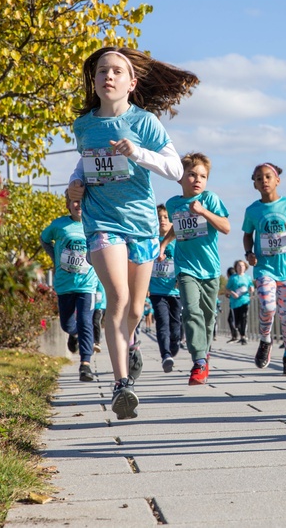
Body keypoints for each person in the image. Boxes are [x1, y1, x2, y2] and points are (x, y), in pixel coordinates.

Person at [67, 46, 197, 420]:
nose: (108, 76)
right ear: (93, 82)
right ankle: (122, 384)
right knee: (118, 298)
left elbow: (174, 169)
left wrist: (137, 152)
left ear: (131, 83)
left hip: (141, 223)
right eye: (101, 71)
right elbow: (84, 163)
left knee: (136, 309)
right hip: (101, 221)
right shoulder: (85, 124)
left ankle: (132, 343)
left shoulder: (145, 123)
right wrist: (75, 185)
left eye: (116, 72)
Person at [162, 152, 230, 386]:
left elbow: (226, 227)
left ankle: (204, 350)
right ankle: (199, 361)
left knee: (208, 317)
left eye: (203, 176)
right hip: (185, 267)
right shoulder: (172, 204)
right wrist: (163, 243)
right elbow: (177, 228)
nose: (198, 180)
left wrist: (203, 212)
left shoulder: (210, 199)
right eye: (192, 175)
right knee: (191, 311)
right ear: (180, 178)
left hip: (210, 270)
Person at [242, 163, 286, 376]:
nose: (264, 181)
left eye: (268, 177)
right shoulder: (252, 210)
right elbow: (247, 235)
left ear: (277, 179)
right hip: (264, 268)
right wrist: (249, 253)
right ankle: (265, 340)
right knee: (268, 306)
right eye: (259, 178)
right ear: (254, 184)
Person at [40, 192, 100, 382]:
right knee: (67, 324)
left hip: (87, 284)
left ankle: (85, 365)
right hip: (64, 284)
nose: (78, 205)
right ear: (68, 204)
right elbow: (44, 239)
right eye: (75, 201)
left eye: (82, 202)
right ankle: (74, 334)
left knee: (85, 321)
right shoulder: (59, 225)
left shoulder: (94, 224)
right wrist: (54, 257)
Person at [150, 204, 183, 373]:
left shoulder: (177, 242)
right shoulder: (151, 242)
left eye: (166, 217)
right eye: (159, 217)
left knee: (175, 324)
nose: (162, 221)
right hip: (157, 291)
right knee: (162, 323)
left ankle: (175, 342)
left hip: (175, 291)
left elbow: (184, 262)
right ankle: (165, 356)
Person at [226, 260, 253, 344]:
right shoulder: (233, 278)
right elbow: (227, 289)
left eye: (242, 266)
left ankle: (243, 337)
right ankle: (238, 330)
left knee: (244, 317)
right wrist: (232, 293)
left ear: (245, 267)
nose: (241, 267)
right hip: (235, 302)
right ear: (236, 267)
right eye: (239, 266)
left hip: (245, 300)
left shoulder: (247, 277)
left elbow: (251, 285)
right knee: (236, 322)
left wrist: (252, 288)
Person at [93, 281, 106, 354]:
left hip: (100, 305)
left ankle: (97, 342)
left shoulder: (101, 279)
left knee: (96, 321)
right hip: (91, 304)